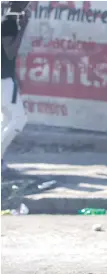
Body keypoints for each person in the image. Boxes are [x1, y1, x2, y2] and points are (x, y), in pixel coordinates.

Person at [1, 1, 30, 172]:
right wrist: (24, 28)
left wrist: (16, 77)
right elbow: (10, 51)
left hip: (5, 79)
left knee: (6, 121)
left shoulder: (8, 21)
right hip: (4, 82)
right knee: (19, 119)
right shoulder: (9, 23)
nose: (27, 3)